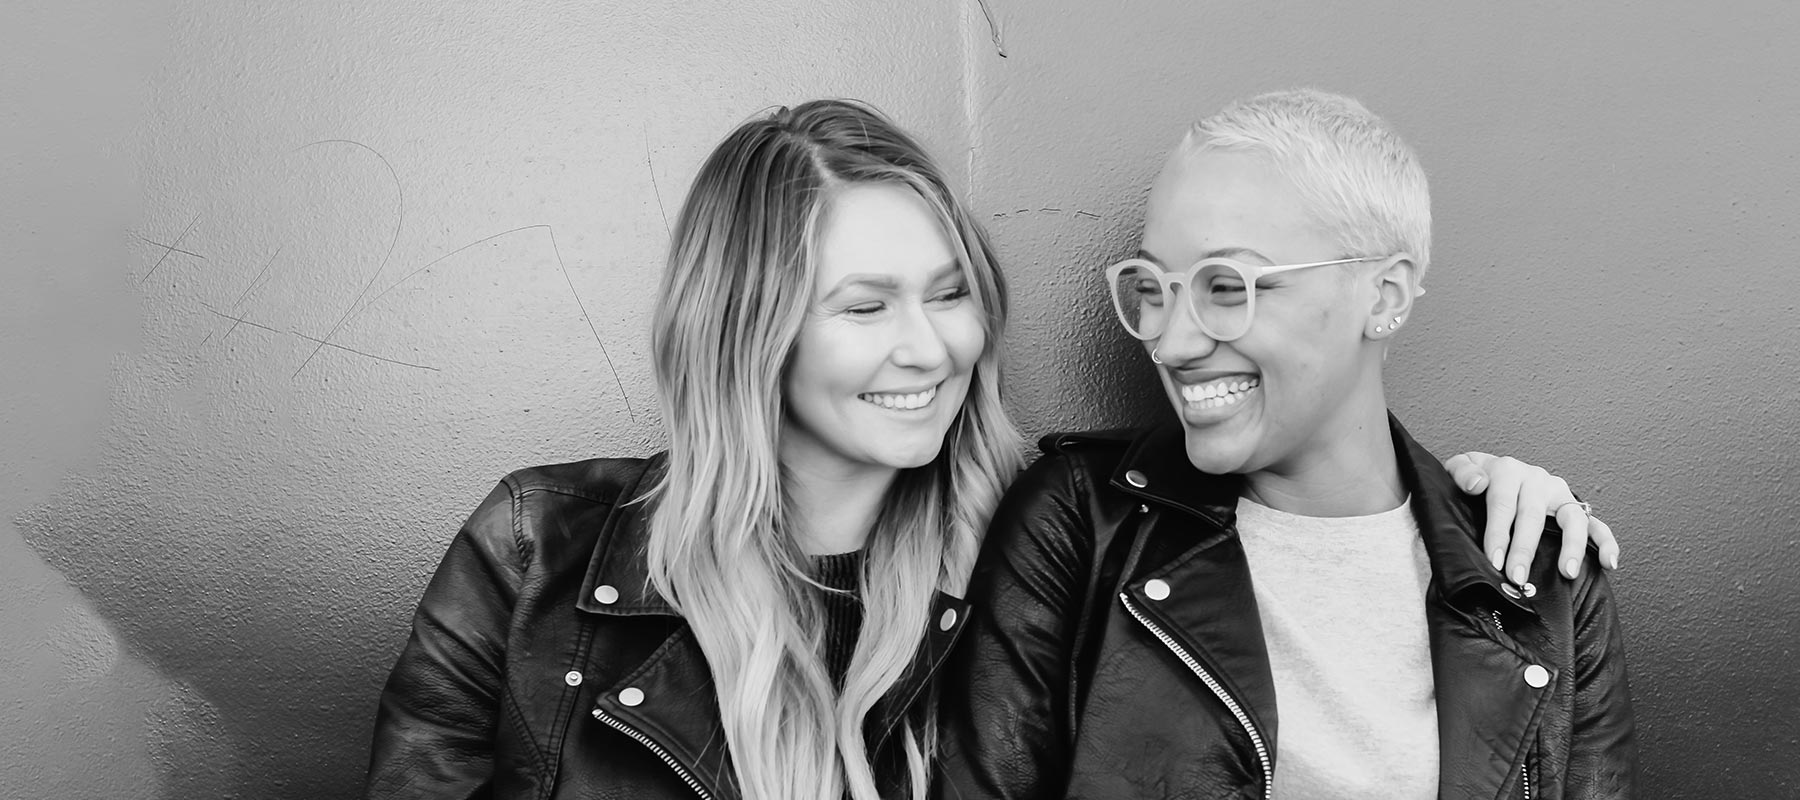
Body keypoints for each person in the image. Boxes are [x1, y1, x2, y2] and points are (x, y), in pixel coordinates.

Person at [363, 99, 1617, 800]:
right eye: (864, 305)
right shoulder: (544, 551)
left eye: (950, 291)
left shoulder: (1046, 525)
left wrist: (1484, 496)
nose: (930, 347)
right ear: (748, 329)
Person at [935, 90, 1636, 800]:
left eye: (1228, 287)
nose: (1171, 342)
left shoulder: (1539, 577)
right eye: (1153, 286)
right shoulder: (1079, 524)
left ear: (1385, 296)